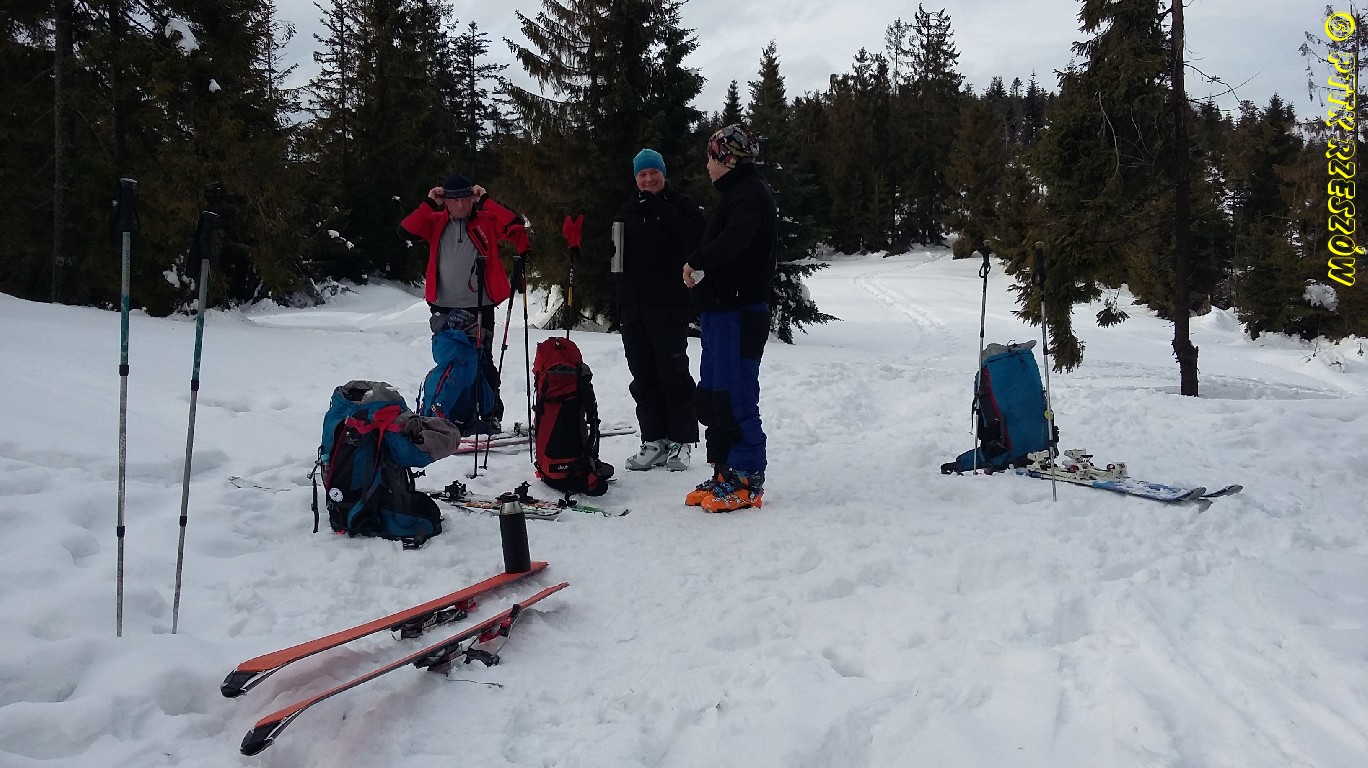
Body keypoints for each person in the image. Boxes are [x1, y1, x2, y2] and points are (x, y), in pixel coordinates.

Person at [681, 124, 777, 512]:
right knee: (714, 394)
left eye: (711, 157)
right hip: (721, 312)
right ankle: (725, 471)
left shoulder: (749, 195)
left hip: (740, 314)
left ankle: (747, 478)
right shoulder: (736, 194)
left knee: (736, 394)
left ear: (728, 159)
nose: (707, 164)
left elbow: (737, 238)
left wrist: (697, 261)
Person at [400, 175, 531, 433]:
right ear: (446, 201)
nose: (461, 205)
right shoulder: (435, 221)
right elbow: (406, 230)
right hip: (444, 307)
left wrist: (486, 199)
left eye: (465, 199)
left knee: (482, 362)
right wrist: (430, 202)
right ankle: (454, 413)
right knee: (451, 362)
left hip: (480, 305)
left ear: (472, 198)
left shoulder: (486, 220)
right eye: (454, 200)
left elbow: (515, 224)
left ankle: (489, 414)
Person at [617, 148, 706, 472]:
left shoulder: (681, 204)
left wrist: (661, 209)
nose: (648, 179)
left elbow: (697, 238)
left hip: (669, 304)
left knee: (673, 373)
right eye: (642, 174)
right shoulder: (629, 208)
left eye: (653, 173)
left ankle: (681, 440)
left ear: (663, 173)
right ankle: (653, 439)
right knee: (643, 375)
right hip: (633, 306)